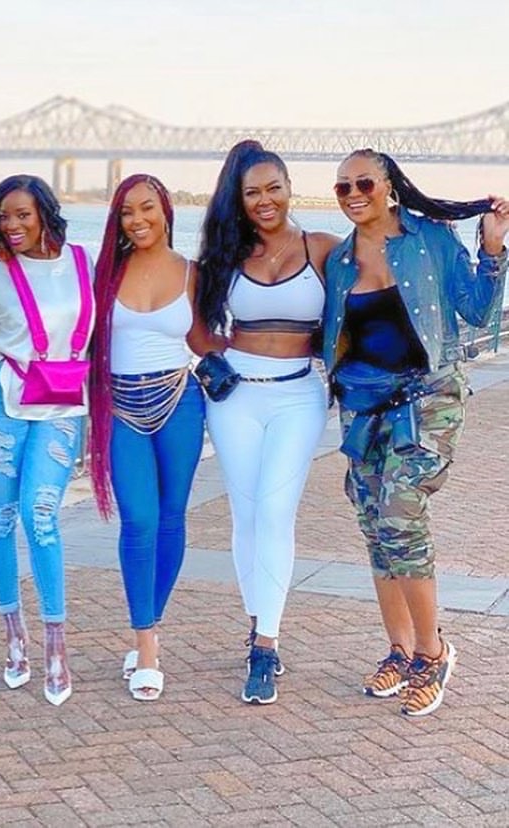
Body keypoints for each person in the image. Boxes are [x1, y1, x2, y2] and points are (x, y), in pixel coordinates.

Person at [324, 149, 508, 716]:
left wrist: (493, 249)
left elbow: (478, 313)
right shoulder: (340, 260)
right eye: (342, 187)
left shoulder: (430, 239)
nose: (353, 195)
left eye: (364, 183)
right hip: (363, 407)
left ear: (390, 186)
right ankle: (400, 651)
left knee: (401, 513)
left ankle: (434, 653)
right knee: (375, 526)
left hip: (427, 399)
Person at [195, 141, 340, 705]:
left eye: (273, 188)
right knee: (247, 512)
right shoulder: (225, 256)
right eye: (252, 192)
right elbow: (196, 328)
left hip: (298, 396)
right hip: (236, 396)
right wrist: (212, 360)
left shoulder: (323, 248)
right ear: (239, 199)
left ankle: (266, 645)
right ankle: (258, 618)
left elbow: (382, 274)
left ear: (289, 188)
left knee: (277, 511)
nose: (264, 200)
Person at [0, 174, 94, 707]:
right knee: (0, 518)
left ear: (44, 213)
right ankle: (14, 637)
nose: (12, 225)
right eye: (3, 216)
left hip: (61, 402)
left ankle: (56, 645)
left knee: (41, 515)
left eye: (22, 214)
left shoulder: (83, 263)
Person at [89, 174, 206, 701]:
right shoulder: (105, 273)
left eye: (147, 208)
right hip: (121, 409)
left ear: (166, 212)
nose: (138, 220)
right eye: (127, 211)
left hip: (180, 401)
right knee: (139, 520)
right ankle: (146, 644)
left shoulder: (193, 273)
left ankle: (148, 633)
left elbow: (203, 339)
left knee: (172, 517)